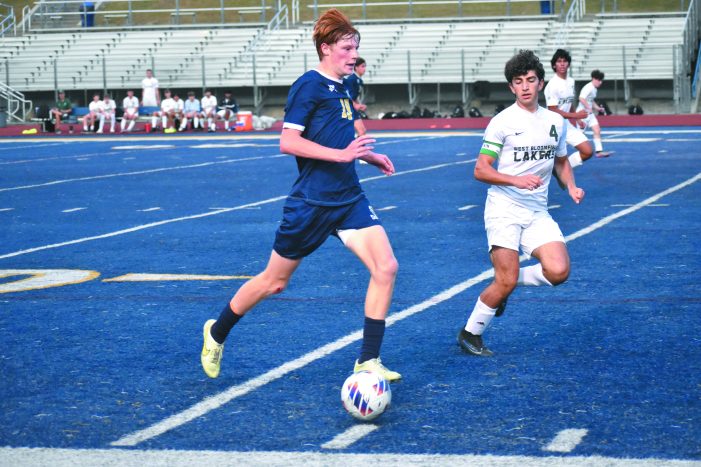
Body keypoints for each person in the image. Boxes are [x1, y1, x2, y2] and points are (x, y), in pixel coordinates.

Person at [200, 8, 401, 382]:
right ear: (326, 49)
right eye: (346, 47)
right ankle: (217, 331)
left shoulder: (343, 85)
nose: (352, 54)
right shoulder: (308, 86)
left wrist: (367, 155)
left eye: (355, 47)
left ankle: (368, 360)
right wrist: (342, 155)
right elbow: (287, 141)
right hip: (311, 203)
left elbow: (338, 136)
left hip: (348, 198)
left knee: (386, 267)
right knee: (274, 282)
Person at [457, 49, 585, 357]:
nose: (525, 86)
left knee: (558, 271)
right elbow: (481, 169)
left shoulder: (555, 121)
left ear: (540, 83)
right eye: (518, 81)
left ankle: (506, 284)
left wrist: (571, 186)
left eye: (530, 80)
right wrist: (516, 180)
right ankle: (470, 333)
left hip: (536, 211)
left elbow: (562, 161)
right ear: (511, 87)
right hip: (503, 210)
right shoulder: (502, 122)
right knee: (506, 279)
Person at [543, 49, 592, 172]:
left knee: (587, 151)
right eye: (559, 61)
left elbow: (569, 103)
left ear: (568, 64)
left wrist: (578, 119)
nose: (562, 64)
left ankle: (559, 170)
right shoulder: (552, 85)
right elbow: (553, 110)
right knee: (544, 160)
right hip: (552, 127)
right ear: (554, 65)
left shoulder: (571, 81)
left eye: (565, 61)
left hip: (566, 125)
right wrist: (575, 115)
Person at [576, 69, 611, 157]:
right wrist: (588, 107)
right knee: (579, 136)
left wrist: (598, 108)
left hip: (590, 115)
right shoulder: (588, 87)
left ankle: (599, 152)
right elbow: (581, 98)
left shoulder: (594, 89)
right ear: (593, 79)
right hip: (582, 114)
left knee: (597, 130)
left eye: (601, 80)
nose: (600, 82)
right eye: (599, 80)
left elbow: (591, 101)